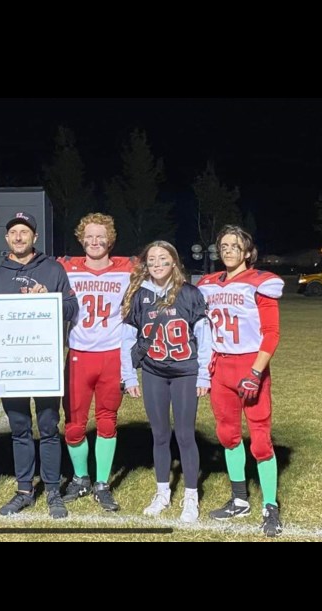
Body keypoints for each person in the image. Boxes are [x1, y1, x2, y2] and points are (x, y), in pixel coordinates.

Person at [0, 211, 78, 518]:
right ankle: (24, 489)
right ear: (7, 238)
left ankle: (52, 490)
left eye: (25, 232)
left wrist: (49, 297)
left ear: (34, 237)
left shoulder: (53, 269)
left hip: (44, 363)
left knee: (49, 427)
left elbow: (71, 307)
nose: (19, 237)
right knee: (20, 428)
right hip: (11, 364)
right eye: (14, 233)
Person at [196, 225, 285, 537]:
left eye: (235, 245)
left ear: (248, 252)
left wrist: (257, 371)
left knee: (260, 438)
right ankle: (239, 499)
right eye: (223, 245)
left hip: (249, 365)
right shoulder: (208, 284)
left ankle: (270, 505)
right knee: (228, 435)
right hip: (221, 365)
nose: (228, 250)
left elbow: (272, 333)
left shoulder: (260, 283)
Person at [120, 240, 211, 523]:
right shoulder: (138, 295)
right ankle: (162, 492)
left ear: (174, 262)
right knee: (159, 434)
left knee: (184, 434)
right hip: (153, 371)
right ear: (145, 265)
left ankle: (191, 496)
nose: (157, 264)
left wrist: (204, 373)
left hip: (185, 371)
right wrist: (127, 374)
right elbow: (126, 339)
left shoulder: (190, 293)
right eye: (151, 260)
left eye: (163, 258)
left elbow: (204, 336)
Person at [58, 213, 135, 511]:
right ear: (80, 238)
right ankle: (80, 478)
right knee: (74, 425)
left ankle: (102, 482)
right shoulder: (66, 268)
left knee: (107, 420)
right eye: (89, 236)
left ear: (110, 239)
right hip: (78, 354)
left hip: (112, 355)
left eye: (100, 236)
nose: (94, 241)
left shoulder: (129, 268)